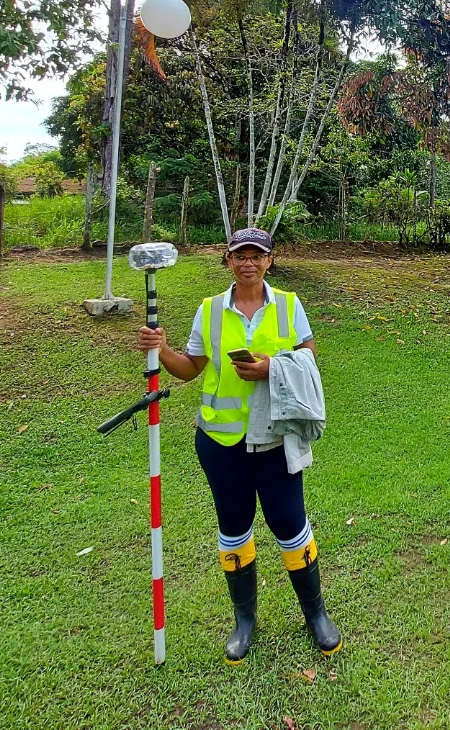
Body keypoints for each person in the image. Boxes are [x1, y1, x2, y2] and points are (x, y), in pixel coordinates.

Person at [136, 226, 341, 663]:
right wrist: (163, 349)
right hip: (220, 442)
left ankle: (316, 614)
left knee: (290, 525)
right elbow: (190, 368)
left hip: (276, 439)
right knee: (233, 529)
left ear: (269, 260)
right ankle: (244, 620)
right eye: (240, 255)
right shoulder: (210, 310)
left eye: (257, 255)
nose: (249, 263)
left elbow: (309, 360)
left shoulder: (289, 305)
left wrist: (272, 368)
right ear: (228, 261)